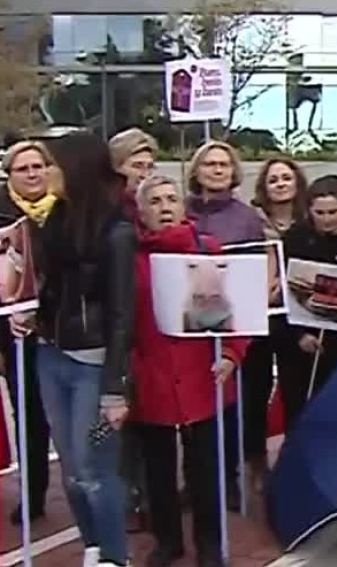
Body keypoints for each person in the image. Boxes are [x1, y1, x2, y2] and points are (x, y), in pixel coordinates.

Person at [15, 132, 136, 567]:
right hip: (51, 354)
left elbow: (123, 314)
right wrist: (26, 313)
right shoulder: (52, 222)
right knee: (70, 474)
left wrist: (115, 388)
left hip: (94, 363)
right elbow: (47, 290)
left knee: (94, 470)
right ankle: (93, 547)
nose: (44, 173)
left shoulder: (117, 232)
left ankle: (114, 557)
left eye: (51, 165)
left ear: (76, 169)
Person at [129, 175, 247, 567]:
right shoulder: (129, 257)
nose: (165, 207)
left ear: (183, 206)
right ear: (141, 211)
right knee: (158, 470)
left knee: (205, 470)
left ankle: (209, 544)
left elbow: (237, 313)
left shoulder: (207, 248)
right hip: (152, 375)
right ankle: (168, 541)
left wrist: (231, 355)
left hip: (204, 374)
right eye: (156, 201)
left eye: (171, 199)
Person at [184, 140, 264, 510]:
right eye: (210, 164)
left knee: (229, 405)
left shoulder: (247, 218)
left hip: (232, 321)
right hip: (188, 321)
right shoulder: (182, 212)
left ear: (234, 173)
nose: (217, 170)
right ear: (196, 171)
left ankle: (228, 479)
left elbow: (255, 268)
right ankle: (193, 480)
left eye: (224, 165)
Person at [242, 157, 308, 493]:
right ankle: (255, 461)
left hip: (297, 320)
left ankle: (293, 457)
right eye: (273, 179)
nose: (280, 183)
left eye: (286, 177)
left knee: (295, 389)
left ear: (297, 182)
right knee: (255, 390)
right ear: (264, 187)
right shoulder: (251, 224)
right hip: (259, 316)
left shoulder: (311, 220)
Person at [281, 175, 337, 425]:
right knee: (299, 411)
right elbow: (285, 290)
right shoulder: (295, 238)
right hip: (300, 342)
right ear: (309, 210)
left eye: (333, 211)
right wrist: (299, 335)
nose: (327, 219)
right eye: (320, 212)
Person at [0, 141, 56, 525]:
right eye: (23, 168)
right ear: (10, 177)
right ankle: (33, 493)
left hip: (59, 325)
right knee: (28, 412)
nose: (33, 173)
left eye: (38, 166)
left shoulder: (63, 211)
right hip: (12, 327)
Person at [108, 127, 158, 532]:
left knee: (151, 418)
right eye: (135, 165)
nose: (143, 172)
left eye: (148, 165)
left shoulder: (152, 207)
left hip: (153, 326)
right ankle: (128, 498)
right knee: (125, 420)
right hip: (120, 327)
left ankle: (149, 495)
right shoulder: (110, 212)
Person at [108, 128, 158, 221]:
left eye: (150, 167)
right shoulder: (106, 211)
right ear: (115, 167)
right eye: (137, 166)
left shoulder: (156, 207)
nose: (145, 175)